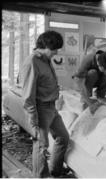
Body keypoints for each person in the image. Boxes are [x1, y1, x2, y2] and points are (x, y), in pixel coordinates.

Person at [19, 30, 70, 177]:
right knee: (41, 145)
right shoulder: (32, 62)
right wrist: (33, 122)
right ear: (45, 45)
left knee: (63, 137)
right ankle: (41, 176)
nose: (56, 52)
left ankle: (55, 170)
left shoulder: (45, 59)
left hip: (51, 108)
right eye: (54, 49)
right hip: (40, 108)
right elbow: (28, 96)